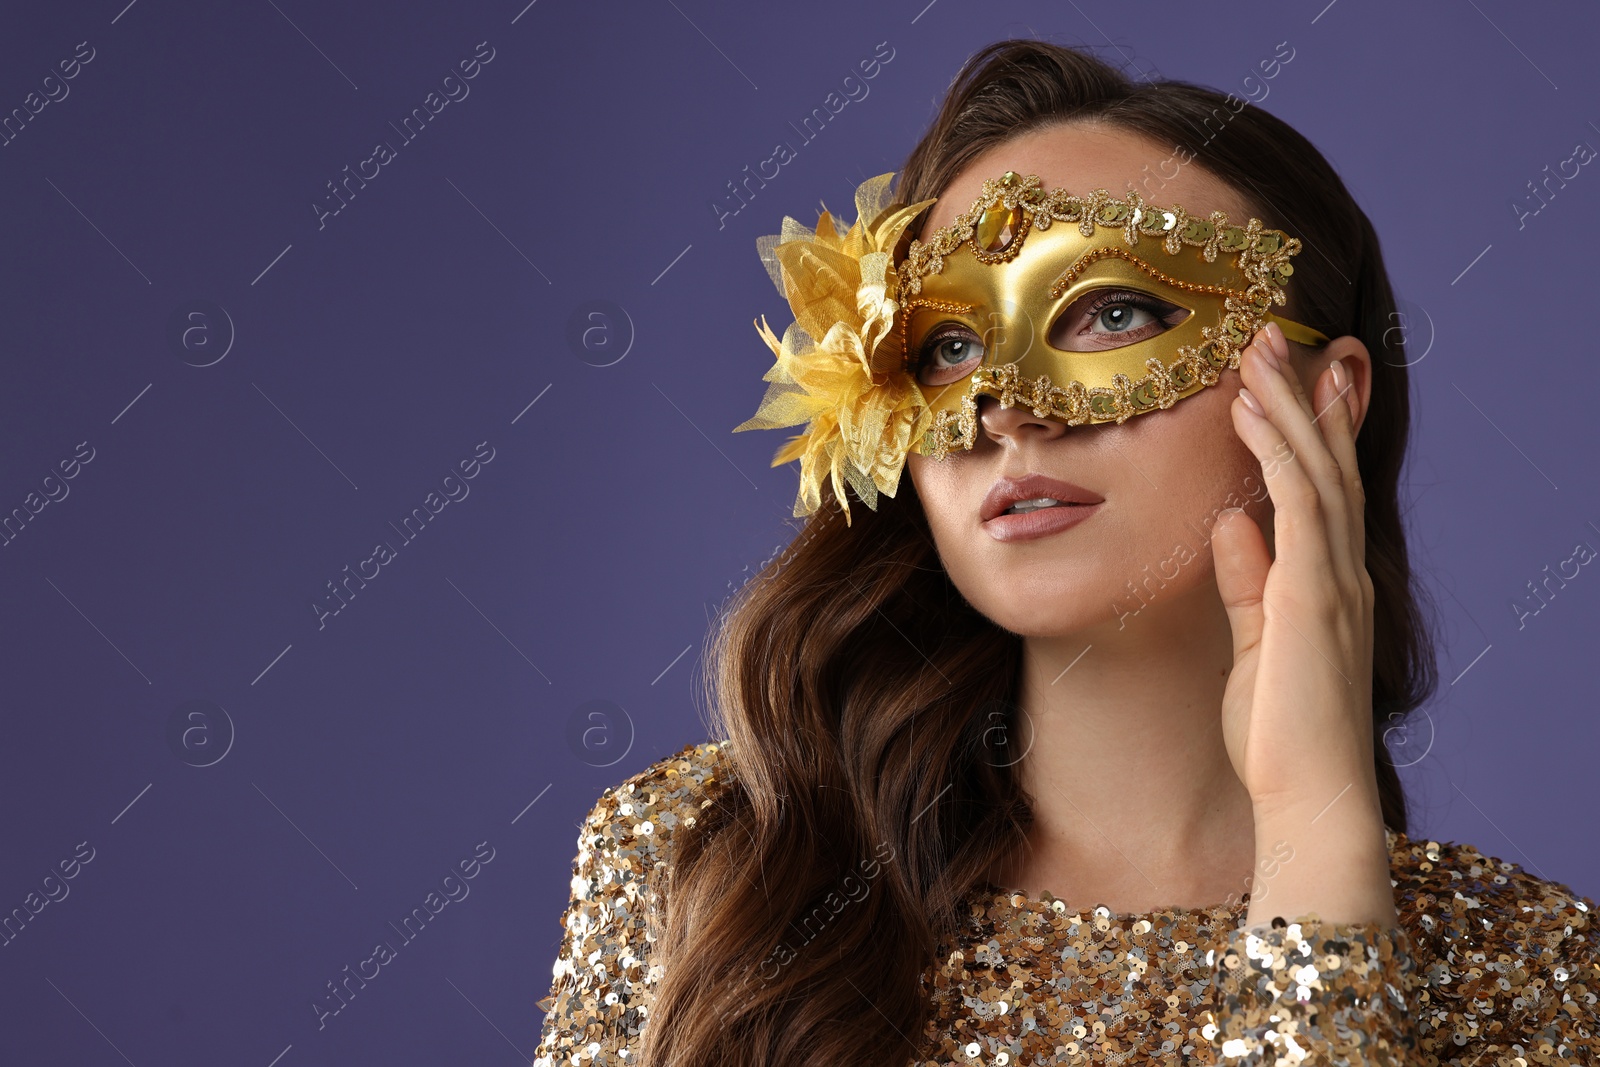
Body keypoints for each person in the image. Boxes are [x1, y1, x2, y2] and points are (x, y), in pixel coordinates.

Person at [531, 39, 1598, 1067]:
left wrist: (1316, 840)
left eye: (1113, 312)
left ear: (1330, 397)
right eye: (948, 344)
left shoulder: (1526, 962)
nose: (1005, 411)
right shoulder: (708, 868)